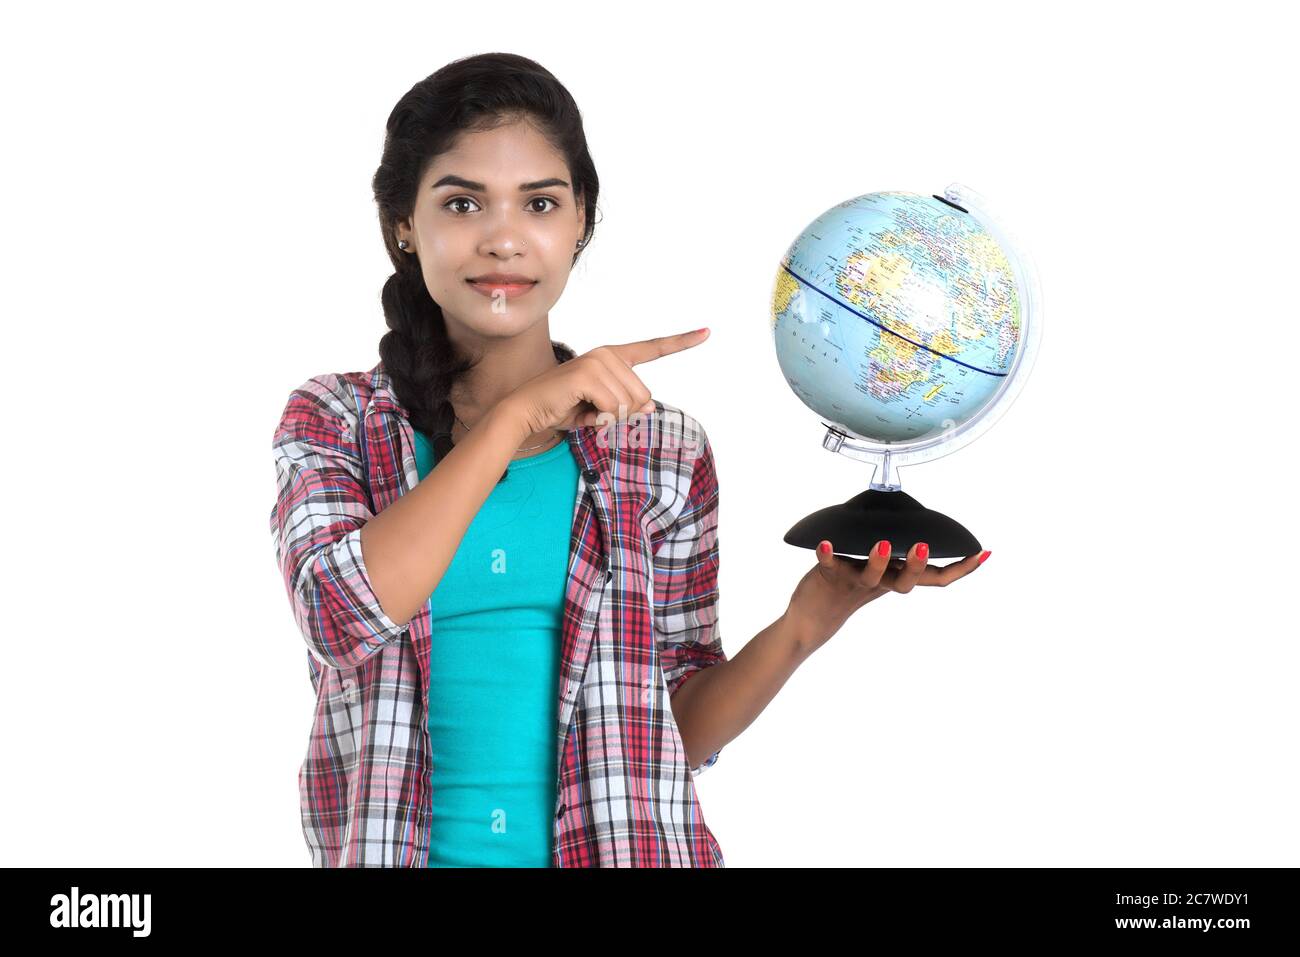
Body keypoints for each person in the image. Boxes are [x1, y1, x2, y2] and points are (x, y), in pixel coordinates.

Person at [269, 52, 991, 868]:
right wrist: (514, 419)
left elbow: (672, 732)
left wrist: (807, 622)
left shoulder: (663, 450)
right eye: (463, 202)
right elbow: (338, 615)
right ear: (403, 221)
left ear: (580, 222)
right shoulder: (336, 420)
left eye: (539, 202)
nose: (504, 237)